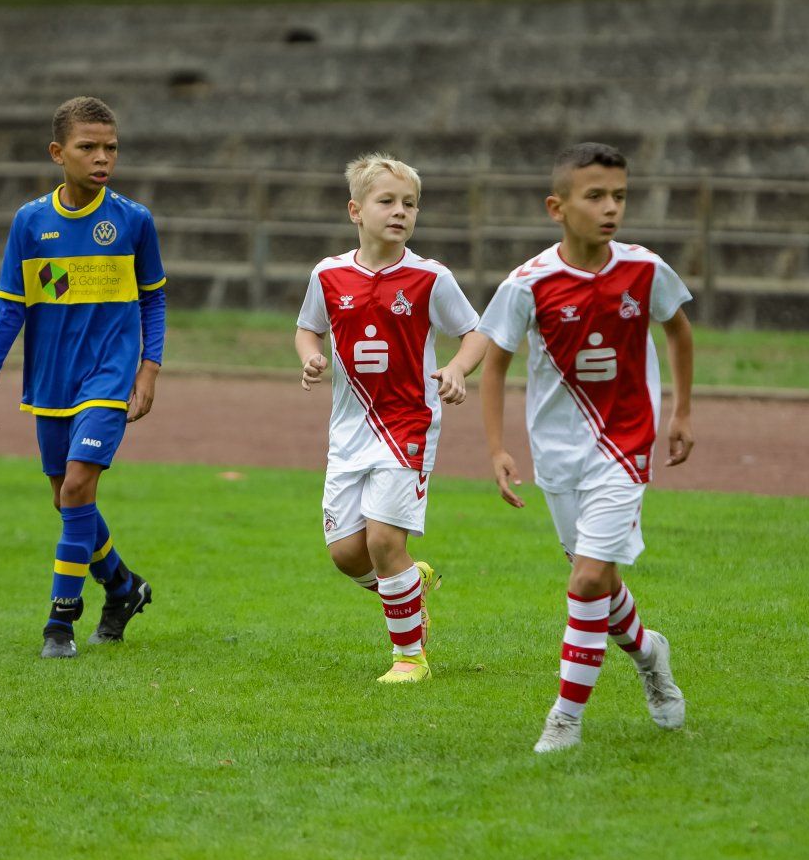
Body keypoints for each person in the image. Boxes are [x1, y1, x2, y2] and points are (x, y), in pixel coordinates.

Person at [477, 141, 694, 752]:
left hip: (625, 445)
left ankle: (565, 719)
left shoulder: (645, 269)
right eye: (595, 196)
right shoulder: (528, 283)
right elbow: (494, 364)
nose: (611, 208)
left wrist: (682, 410)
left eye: (619, 196)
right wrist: (497, 449)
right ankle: (650, 656)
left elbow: (678, 331)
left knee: (588, 578)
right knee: (597, 579)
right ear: (558, 207)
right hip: (557, 454)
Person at [0, 95, 165, 659]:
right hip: (51, 380)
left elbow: (153, 300)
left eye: (111, 148)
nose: (102, 158)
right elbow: (11, 306)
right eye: (88, 147)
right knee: (65, 499)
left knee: (79, 487)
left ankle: (60, 621)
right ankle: (124, 587)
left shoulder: (132, 220)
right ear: (58, 153)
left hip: (108, 375)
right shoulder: (31, 222)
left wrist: (148, 368)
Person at [296, 154, 489, 684]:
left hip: (407, 426)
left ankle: (410, 658)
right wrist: (310, 357)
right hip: (348, 432)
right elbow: (308, 327)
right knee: (346, 554)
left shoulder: (430, 277)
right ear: (356, 210)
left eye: (410, 204)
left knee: (384, 542)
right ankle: (408, 583)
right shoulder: (328, 274)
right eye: (387, 201)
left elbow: (475, 332)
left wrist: (457, 367)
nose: (400, 211)